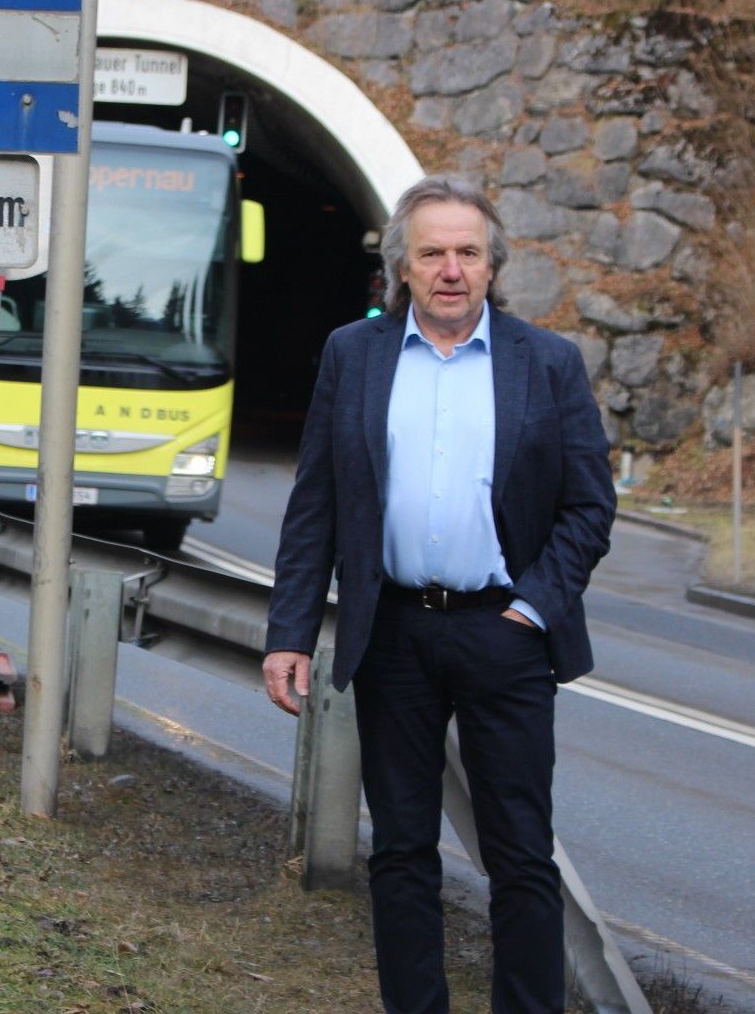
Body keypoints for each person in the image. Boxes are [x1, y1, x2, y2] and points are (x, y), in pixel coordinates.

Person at [262, 174, 616, 1014]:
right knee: (401, 851)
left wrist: (533, 607)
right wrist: (289, 631)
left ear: (492, 266)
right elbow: (317, 502)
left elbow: (589, 506)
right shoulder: (355, 353)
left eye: (467, 252)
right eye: (432, 253)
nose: (451, 268)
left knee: (522, 856)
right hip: (393, 634)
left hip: (505, 633)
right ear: (403, 268)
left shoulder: (549, 363)